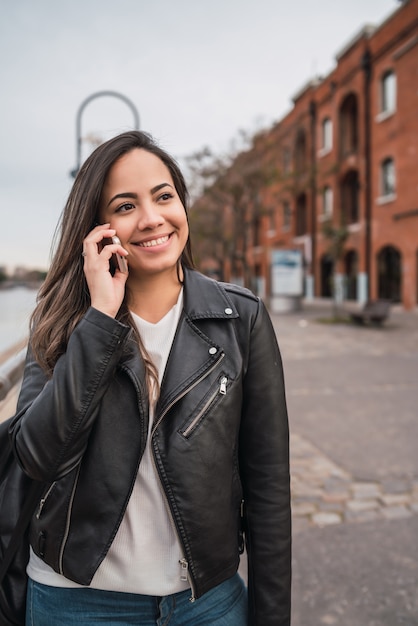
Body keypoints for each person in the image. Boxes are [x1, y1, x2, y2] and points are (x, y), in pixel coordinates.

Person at [9, 130, 291, 625]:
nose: (152, 218)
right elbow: (38, 457)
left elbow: (268, 489)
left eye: (164, 196)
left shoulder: (239, 319)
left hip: (207, 602)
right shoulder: (61, 324)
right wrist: (98, 320)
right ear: (98, 228)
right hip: (75, 603)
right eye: (124, 205)